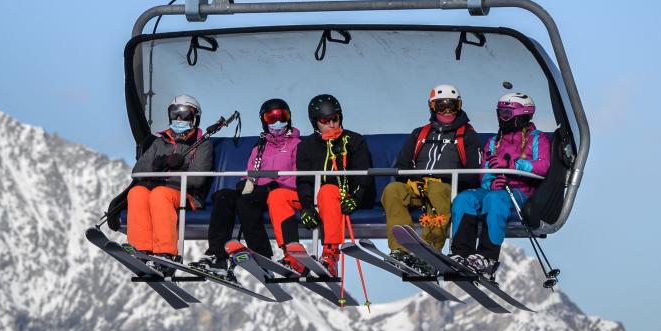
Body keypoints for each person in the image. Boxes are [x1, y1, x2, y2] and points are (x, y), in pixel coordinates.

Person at [449, 92, 551, 274]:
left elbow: (543, 166)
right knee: (465, 199)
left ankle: (487, 257)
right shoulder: (494, 142)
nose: (501, 118)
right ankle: (461, 253)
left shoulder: (537, 138)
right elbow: (485, 170)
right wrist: (491, 182)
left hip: (521, 192)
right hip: (494, 190)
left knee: (495, 200)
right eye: (499, 113)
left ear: (521, 115)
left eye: (506, 114)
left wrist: (512, 165)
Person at [197, 98, 302, 275]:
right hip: (256, 190)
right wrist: (244, 182)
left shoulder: (296, 145)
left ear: (289, 118)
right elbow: (250, 171)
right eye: (271, 118)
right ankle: (218, 255)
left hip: (279, 190)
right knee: (223, 196)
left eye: (282, 117)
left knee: (247, 200)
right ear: (264, 121)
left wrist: (273, 182)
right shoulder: (259, 147)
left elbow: (298, 176)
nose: (277, 123)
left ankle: (262, 254)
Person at [382, 84, 483, 259]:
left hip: (446, 188)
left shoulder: (467, 135)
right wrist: (412, 180)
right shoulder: (419, 134)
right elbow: (402, 164)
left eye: (452, 105)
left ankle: (430, 248)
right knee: (393, 190)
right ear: (432, 107)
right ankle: (401, 249)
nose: (447, 111)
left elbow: (474, 172)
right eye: (441, 106)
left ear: (459, 106)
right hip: (418, 187)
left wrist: (444, 180)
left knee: (437, 191)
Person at [125, 95, 215, 257]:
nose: (179, 119)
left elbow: (198, 179)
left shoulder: (202, 145)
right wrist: (158, 165)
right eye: (175, 114)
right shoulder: (160, 143)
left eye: (186, 114)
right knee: (137, 193)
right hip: (156, 189)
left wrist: (174, 173)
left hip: (186, 195)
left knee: (160, 194)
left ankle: (165, 251)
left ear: (195, 118)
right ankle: (141, 248)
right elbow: (137, 171)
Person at [295, 94, 372, 275]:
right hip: (314, 198)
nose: (331, 124)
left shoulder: (354, 141)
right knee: (278, 197)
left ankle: (331, 254)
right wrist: (306, 206)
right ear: (315, 122)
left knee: (327, 191)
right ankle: (291, 256)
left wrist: (355, 197)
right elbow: (304, 180)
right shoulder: (305, 146)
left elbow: (363, 175)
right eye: (325, 120)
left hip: (341, 196)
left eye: (335, 119)